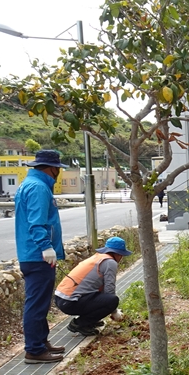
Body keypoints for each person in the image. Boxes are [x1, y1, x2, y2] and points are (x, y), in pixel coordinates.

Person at [15, 149, 68, 364]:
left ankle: (41, 341)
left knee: (41, 302)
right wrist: (46, 247)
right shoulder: (38, 188)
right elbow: (37, 223)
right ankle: (34, 350)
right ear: (52, 168)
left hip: (32, 254)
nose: (58, 173)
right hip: (38, 256)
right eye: (58, 169)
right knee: (37, 303)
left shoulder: (30, 184)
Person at [54, 236, 133, 336]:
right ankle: (79, 324)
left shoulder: (97, 257)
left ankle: (89, 321)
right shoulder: (110, 262)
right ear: (117, 254)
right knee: (112, 301)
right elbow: (109, 289)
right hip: (70, 302)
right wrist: (114, 311)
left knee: (101, 297)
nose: (121, 258)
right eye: (122, 255)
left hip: (60, 298)